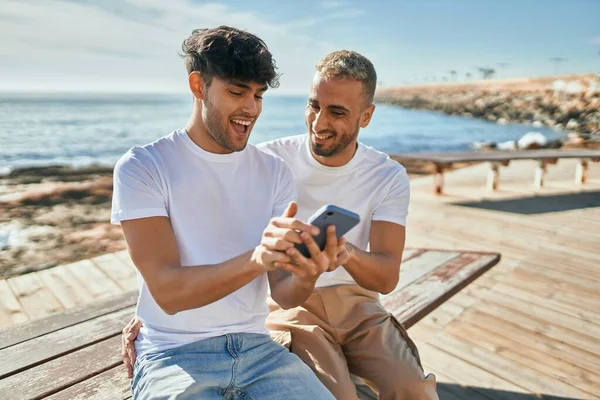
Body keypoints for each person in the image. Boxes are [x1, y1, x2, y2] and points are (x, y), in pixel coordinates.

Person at [121, 49, 438, 399]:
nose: (319, 124)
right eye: (314, 105)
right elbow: (199, 233)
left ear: (366, 117)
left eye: (337, 112)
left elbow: (385, 277)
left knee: (412, 389)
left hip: (353, 305)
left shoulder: (383, 175)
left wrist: (337, 253)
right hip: (287, 312)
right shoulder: (270, 160)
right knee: (341, 394)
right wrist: (148, 315)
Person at [112, 25, 340, 400]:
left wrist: (309, 271)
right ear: (198, 86)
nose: (250, 108)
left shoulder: (274, 172)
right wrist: (257, 259)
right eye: (237, 92)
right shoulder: (144, 166)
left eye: (258, 95)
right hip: (173, 355)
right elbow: (168, 292)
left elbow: (284, 294)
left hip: (259, 352)